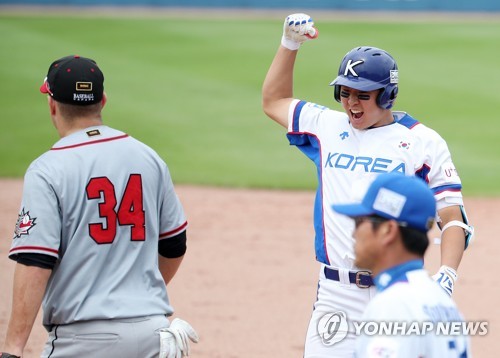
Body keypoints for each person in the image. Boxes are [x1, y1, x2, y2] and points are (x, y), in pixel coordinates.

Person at [261, 13, 473, 357]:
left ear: (387, 95)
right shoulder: (327, 127)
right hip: (335, 294)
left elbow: (453, 217)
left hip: (397, 288)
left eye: (362, 94)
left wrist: (447, 273)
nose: (350, 102)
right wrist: (289, 45)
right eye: (344, 92)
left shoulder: (421, 141)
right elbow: (273, 101)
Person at [1, 55, 198, 358]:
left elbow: (34, 261)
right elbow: (175, 244)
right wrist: (135, 295)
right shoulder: (148, 157)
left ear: (52, 106)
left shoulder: (46, 170)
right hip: (153, 334)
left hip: (82, 342)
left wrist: (13, 349)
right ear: (102, 101)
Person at [332, 172, 471, 357]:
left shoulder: (393, 305)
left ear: (388, 230)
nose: (353, 233)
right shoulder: (445, 305)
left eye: (360, 222)